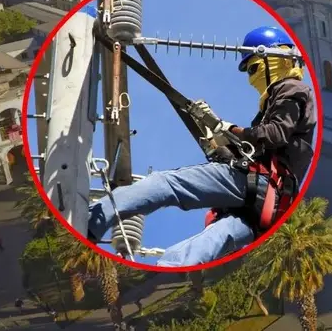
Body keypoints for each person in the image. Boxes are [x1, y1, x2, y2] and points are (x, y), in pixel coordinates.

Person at [85, 26, 316, 267]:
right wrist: (219, 136)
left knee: (166, 184)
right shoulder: (287, 105)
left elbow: (274, 134)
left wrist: (228, 128)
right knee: (215, 238)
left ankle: (90, 222)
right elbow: (266, 145)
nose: (251, 78)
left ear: (276, 59)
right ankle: (169, 267)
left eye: (254, 68)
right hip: (271, 205)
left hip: (260, 183)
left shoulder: (290, 88)